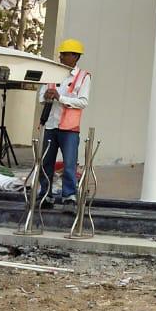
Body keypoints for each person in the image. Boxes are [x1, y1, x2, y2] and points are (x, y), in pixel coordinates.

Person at [38, 39, 91, 206]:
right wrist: (46, 96)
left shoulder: (83, 77)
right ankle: (45, 194)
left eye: (65, 54)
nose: (61, 57)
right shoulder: (52, 74)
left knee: (69, 164)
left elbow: (83, 102)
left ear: (75, 56)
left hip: (69, 128)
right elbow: (40, 97)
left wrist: (60, 98)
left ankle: (69, 196)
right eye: (61, 54)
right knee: (46, 162)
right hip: (51, 125)